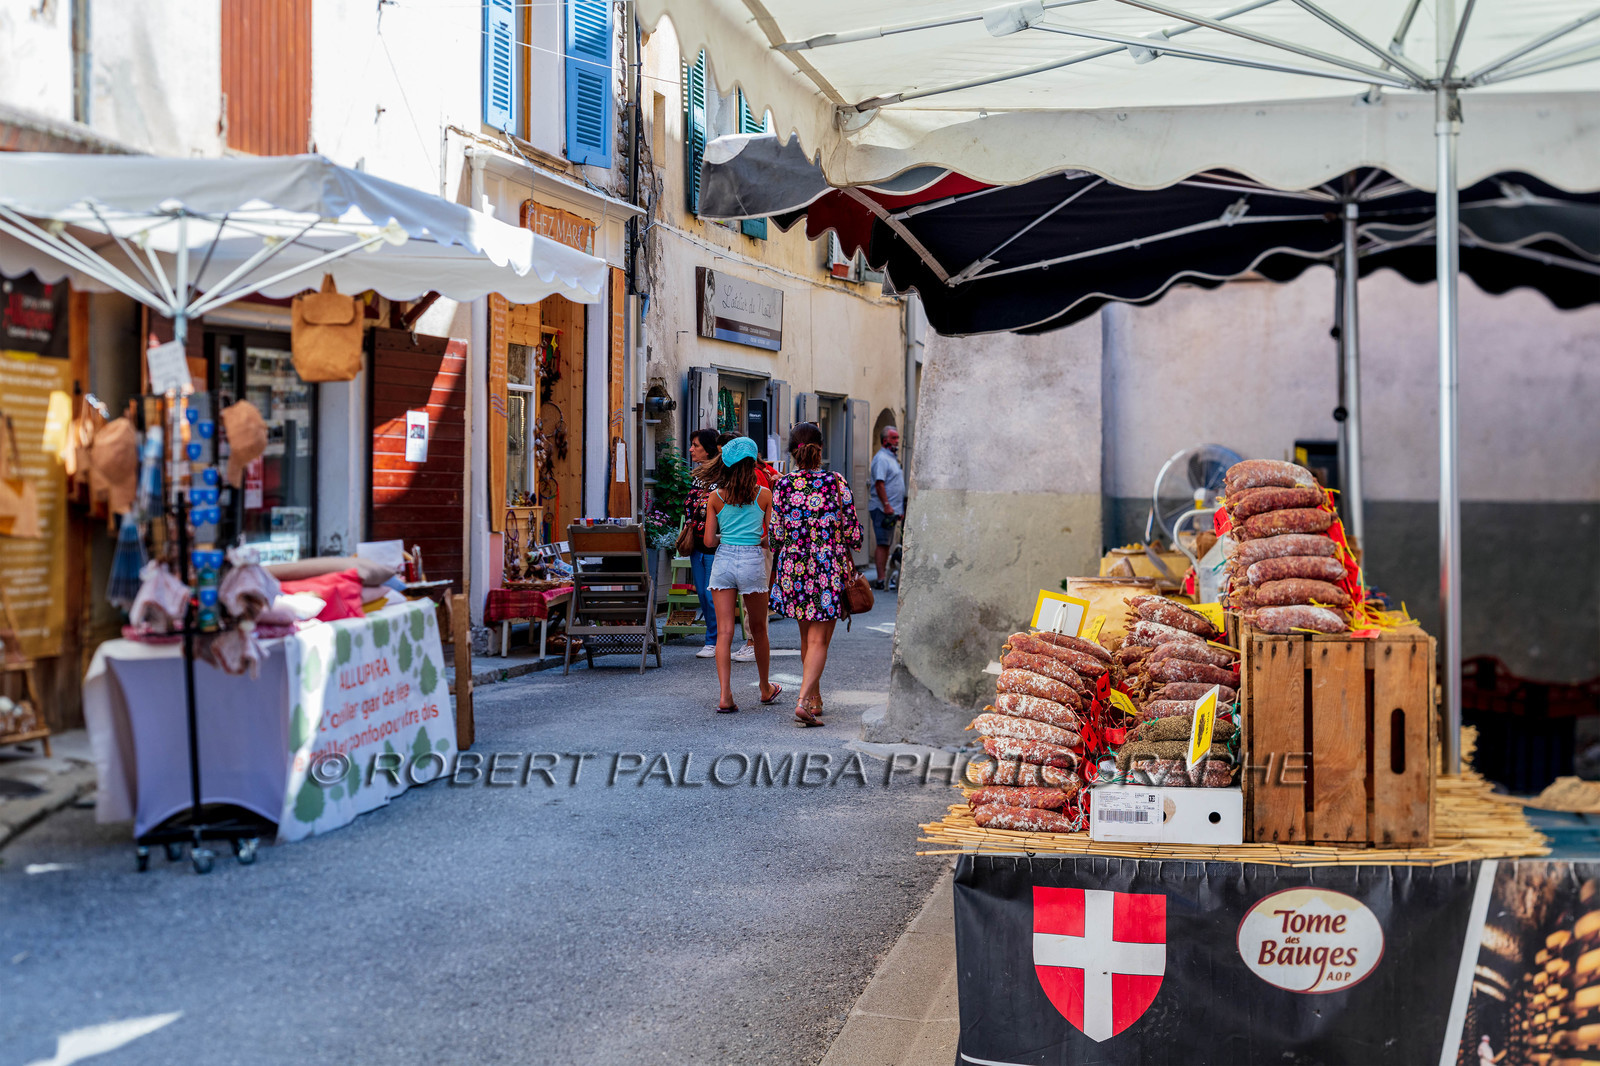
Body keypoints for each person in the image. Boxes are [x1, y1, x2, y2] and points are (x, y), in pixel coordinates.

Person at [770, 422, 863, 726]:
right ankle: (802, 702)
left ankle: (815, 698)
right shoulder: (836, 482)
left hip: (793, 567)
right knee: (820, 640)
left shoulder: (782, 485)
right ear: (821, 449)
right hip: (826, 566)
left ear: (792, 452)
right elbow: (853, 532)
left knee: (807, 638)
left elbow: (775, 536)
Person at [702, 437, 782, 713]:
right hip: (752, 561)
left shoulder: (716, 497)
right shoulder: (764, 495)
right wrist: (755, 540)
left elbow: (709, 541)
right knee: (759, 629)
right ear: (751, 463)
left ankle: (725, 696)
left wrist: (729, 536)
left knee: (724, 631)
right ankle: (764, 687)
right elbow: (770, 538)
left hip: (723, 561)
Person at [679, 429, 723, 659]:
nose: (691, 449)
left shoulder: (723, 477)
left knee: (710, 594)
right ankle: (713, 637)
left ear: (708, 449)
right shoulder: (697, 475)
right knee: (703, 595)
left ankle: (714, 640)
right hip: (695, 543)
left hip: (715, 544)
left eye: (696, 445)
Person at [868, 425, 905, 589]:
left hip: (892, 509)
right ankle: (881, 578)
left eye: (897, 438)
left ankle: (884, 576)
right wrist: (887, 505)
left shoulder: (892, 457)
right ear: (885, 440)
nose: (897, 441)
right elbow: (879, 484)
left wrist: (899, 509)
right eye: (893, 438)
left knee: (888, 542)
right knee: (883, 543)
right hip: (882, 508)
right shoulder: (882, 458)